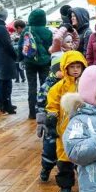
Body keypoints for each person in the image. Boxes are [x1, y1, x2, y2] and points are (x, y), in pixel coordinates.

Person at [45, 51, 87, 192]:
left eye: (78, 66)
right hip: (64, 128)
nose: (75, 69)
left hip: (84, 127)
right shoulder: (58, 87)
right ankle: (65, 185)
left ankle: (85, 184)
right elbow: (52, 104)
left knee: (84, 155)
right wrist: (51, 119)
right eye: (72, 66)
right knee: (64, 155)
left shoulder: (86, 85)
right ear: (65, 68)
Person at [18, 9, 53, 119]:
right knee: (45, 86)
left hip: (30, 61)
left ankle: (32, 113)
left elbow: (20, 46)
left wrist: (21, 59)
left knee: (31, 86)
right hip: (45, 63)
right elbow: (50, 48)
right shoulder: (47, 32)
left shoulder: (26, 30)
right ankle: (44, 110)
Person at [36, 53, 64, 182]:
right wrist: (41, 122)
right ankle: (46, 168)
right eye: (59, 70)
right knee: (49, 148)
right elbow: (41, 103)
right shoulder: (47, 85)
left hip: (67, 122)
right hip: (51, 123)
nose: (62, 72)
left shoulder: (71, 84)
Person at [0, 4, 18, 114]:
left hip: (0, 57)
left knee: (3, 83)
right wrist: (15, 56)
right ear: (4, 16)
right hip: (5, 58)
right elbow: (7, 45)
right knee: (6, 84)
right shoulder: (1, 28)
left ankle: (4, 104)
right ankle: (6, 106)